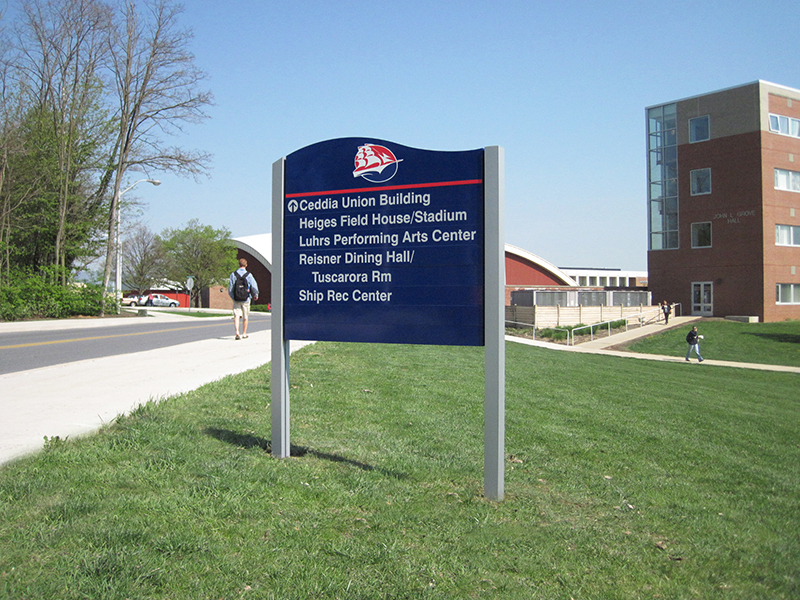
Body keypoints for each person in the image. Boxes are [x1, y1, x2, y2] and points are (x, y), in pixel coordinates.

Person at [228, 258, 259, 340]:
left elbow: (230, 288)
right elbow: (254, 286)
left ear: (239, 265)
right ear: (246, 265)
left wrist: (233, 297)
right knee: (245, 317)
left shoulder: (233, 275)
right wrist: (255, 294)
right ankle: (244, 333)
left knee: (236, 316)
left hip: (236, 299)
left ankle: (237, 332)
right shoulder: (249, 275)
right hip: (246, 299)